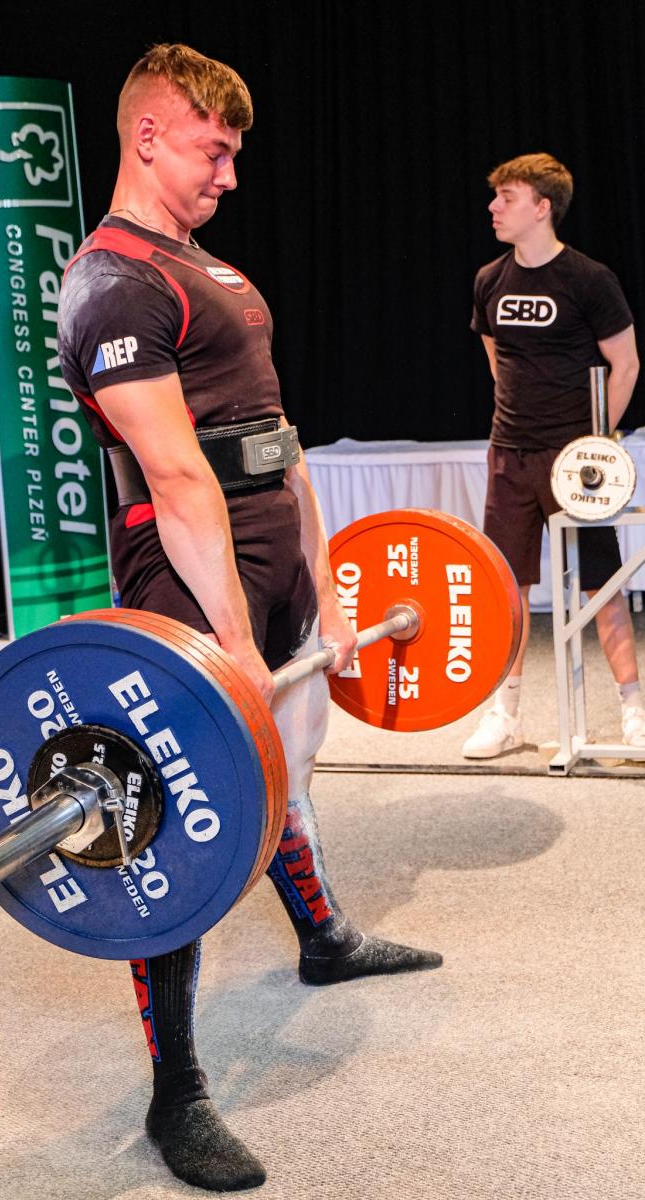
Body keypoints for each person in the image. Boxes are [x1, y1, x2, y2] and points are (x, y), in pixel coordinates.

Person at [58, 43, 442, 1193]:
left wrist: (320, 578)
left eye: (233, 155)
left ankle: (320, 937)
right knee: (172, 819)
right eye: (212, 150)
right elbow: (179, 479)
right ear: (146, 134)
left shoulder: (213, 271)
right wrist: (229, 644)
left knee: (271, 768)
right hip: (185, 569)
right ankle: (175, 1089)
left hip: (269, 552)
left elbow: (278, 434)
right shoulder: (109, 281)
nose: (228, 175)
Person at [462, 152, 643, 758]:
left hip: (577, 464)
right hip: (510, 456)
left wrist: (596, 444)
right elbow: (498, 361)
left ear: (542, 207)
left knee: (600, 583)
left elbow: (626, 365)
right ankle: (505, 713)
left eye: (507, 197)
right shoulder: (490, 279)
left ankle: (634, 710)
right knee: (506, 587)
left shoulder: (589, 280)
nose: (493, 207)